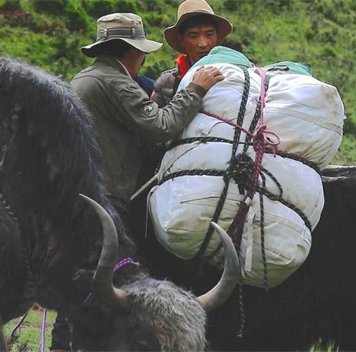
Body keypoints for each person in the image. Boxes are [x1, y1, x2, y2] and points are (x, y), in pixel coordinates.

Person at [50, 12, 224, 351]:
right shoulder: (114, 83)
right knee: (97, 283)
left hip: (84, 198)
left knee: (87, 283)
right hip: (106, 200)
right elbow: (161, 127)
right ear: (132, 52)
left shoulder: (90, 78)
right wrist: (197, 90)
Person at [151, 0, 232, 107]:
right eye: (193, 36)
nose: (203, 44)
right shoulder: (168, 83)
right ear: (181, 40)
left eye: (209, 34)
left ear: (217, 36)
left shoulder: (233, 74)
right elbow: (155, 121)